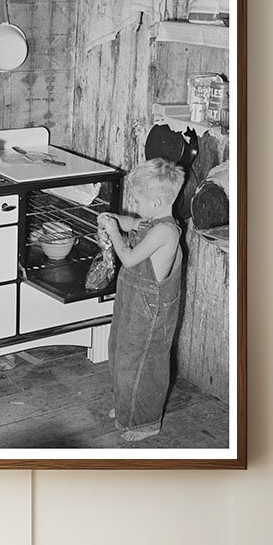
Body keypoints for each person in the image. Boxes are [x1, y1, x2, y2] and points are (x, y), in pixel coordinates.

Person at [98, 159, 185, 442]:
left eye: (136, 200)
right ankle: (128, 406)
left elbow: (130, 257)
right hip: (133, 298)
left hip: (150, 307)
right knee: (120, 351)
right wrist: (113, 219)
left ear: (157, 201)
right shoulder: (155, 221)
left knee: (142, 362)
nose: (132, 204)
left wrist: (113, 233)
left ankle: (145, 421)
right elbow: (134, 223)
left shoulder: (166, 231)